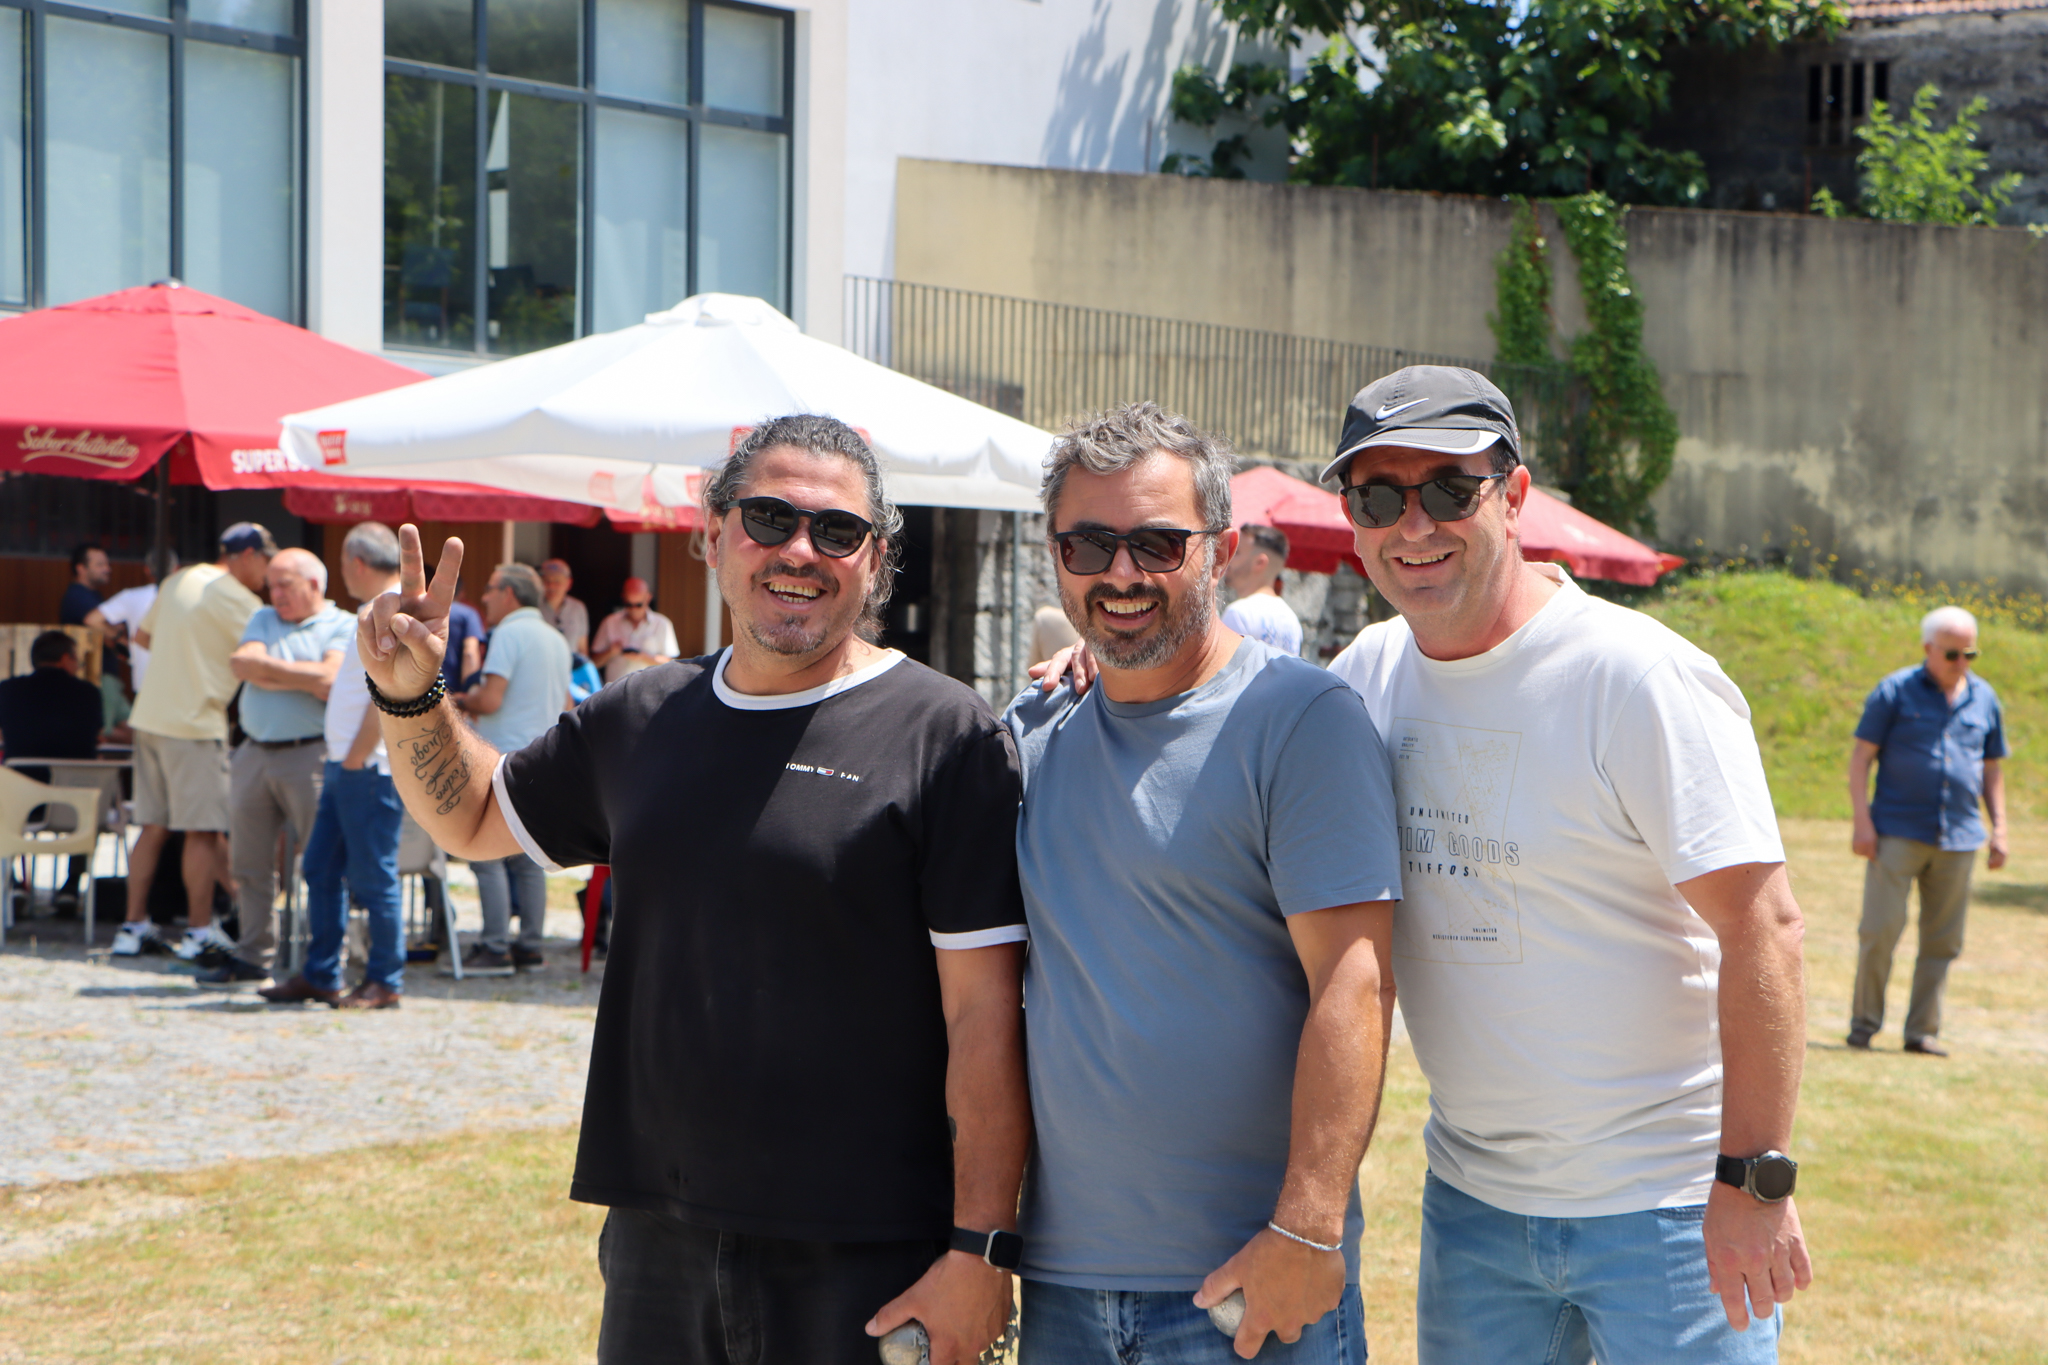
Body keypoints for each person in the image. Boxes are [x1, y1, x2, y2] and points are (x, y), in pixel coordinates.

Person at [357, 413, 1029, 1365]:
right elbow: (470, 817)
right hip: (656, 1238)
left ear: (875, 560)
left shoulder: (946, 735)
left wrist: (980, 1249)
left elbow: (985, 1017)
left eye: (838, 530)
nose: (801, 550)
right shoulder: (641, 714)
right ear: (713, 534)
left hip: (866, 1250)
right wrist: (409, 693)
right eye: (770, 518)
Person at [1316, 367, 1810, 1363]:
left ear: (1514, 495)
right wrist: (1101, 669)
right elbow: (1237, 738)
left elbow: (1763, 926)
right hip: (1473, 1207)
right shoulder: (1365, 675)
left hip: (1665, 1206)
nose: (1413, 525)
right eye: (1378, 497)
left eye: (1448, 489)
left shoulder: (1633, 675)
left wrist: (1751, 1180)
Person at [1008, 402, 1400, 1364]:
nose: (1120, 573)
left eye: (1156, 543)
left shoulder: (1300, 718)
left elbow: (1354, 983)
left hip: (1251, 1288)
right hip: (1060, 1288)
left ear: (1221, 550)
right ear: (1056, 557)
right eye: (1089, 544)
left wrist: (1308, 1229)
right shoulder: (1031, 732)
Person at [1846, 605, 2007, 1057]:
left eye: (1969, 654)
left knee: (1943, 941)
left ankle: (1921, 1032)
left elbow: (1991, 768)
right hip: (1897, 830)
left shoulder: (1985, 698)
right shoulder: (1894, 690)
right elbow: (1861, 758)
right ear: (1928, 648)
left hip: (1959, 835)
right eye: (1952, 654)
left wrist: (2000, 828)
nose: (1961, 663)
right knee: (1880, 931)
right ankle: (1864, 1025)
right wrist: (1862, 821)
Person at [261, 523, 410, 1010]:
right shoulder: (381, 606)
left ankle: (385, 979)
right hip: (352, 763)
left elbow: (389, 693)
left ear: (356, 563)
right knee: (321, 868)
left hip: (366, 766)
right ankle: (322, 973)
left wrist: (356, 756)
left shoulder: (388, 608)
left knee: (372, 878)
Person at [111, 523, 275, 960]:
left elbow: (142, 637)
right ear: (247, 555)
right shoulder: (243, 602)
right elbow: (266, 660)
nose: (268, 573)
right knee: (201, 831)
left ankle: (133, 925)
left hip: (149, 717)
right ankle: (199, 931)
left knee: (152, 826)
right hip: (195, 723)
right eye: (266, 560)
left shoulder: (178, 579)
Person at [197, 549, 352, 989]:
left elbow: (330, 682)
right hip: (253, 752)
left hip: (311, 754)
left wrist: (267, 670)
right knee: (249, 863)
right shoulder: (262, 617)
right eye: (271, 585)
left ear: (314, 585)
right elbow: (242, 665)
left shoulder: (341, 624)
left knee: (322, 863)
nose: (274, 594)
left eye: (285, 584)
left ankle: (323, 963)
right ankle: (253, 956)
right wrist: (302, 676)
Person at [454, 562, 572, 973]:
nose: (484, 597)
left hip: (500, 759)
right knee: (528, 858)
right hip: (543, 757)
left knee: (486, 857)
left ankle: (494, 947)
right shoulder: (556, 638)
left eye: (490, 589)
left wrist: (459, 699)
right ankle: (530, 946)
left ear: (509, 594)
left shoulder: (508, 632)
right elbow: (566, 704)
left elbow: (490, 700)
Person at [0, 631, 105, 915]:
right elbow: (97, 737)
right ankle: (71, 887)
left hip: (21, 805)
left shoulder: (8, 690)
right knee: (91, 793)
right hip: (75, 807)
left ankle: (13, 885)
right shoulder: (88, 694)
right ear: (65, 659)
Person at [1220, 523, 1304, 656]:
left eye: (1237, 552)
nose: (1228, 557)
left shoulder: (1239, 614)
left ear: (1260, 563)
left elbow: (1225, 667)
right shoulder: (1292, 621)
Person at [99, 553, 173, 696]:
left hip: (144, 680)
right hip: (180, 682)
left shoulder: (131, 597)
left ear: (146, 570)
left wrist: (121, 639)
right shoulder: (188, 598)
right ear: (176, 569)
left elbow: (92, 620)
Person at [588, 577, 680, 684]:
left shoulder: (662, 624)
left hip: (650, 690)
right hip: (616, 690)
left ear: (648, 598)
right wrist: (611, 652)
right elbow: (592, 663)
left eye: (638, 605)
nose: (633, 609)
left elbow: (671, 664)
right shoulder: (609, 622)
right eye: (629, 605)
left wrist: (644, 657)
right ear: (623, 598)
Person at [538, 557, 591, 657]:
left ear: (569, 583)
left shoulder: (578, 608)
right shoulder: (533, 607)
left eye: (557, 582)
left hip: (570, 665)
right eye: (547, 581)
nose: (551, 586)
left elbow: (582, 648)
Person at [60, 542, 112, 639]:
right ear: (81, 569)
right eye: (100, 565)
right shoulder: (77, 597)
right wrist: (120, 638)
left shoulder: (93, 593)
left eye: (107, 564)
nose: (107, 569)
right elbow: (106, 625)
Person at [442, 591, 485, 693]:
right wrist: (468, 690)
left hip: (424, 690)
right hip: (453, 692)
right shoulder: (468, 614)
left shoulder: (426, 612)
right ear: (461, 593)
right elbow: (470, 653)